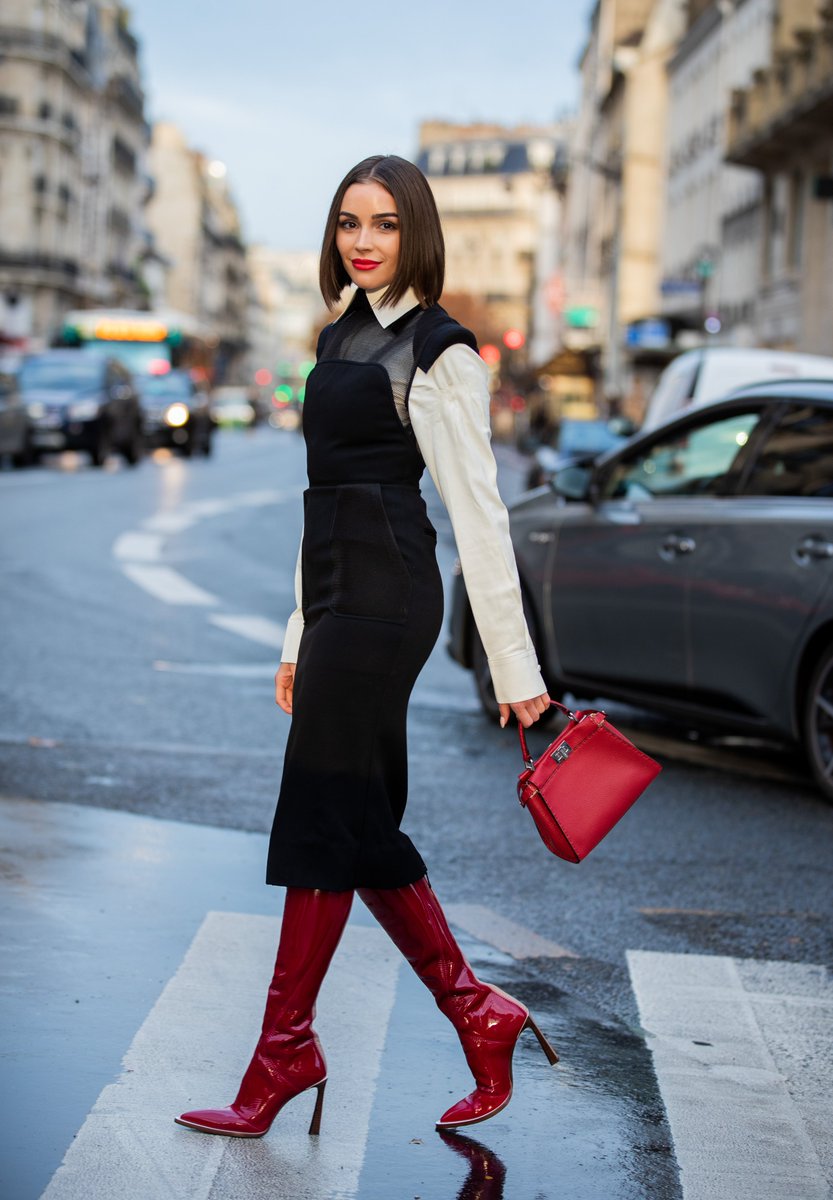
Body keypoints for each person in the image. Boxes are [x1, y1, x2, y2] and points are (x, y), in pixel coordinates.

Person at [175, 154, 557, 1140]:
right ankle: (477, 1012)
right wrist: (297, 635)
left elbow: (479, 518)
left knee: (316, 812)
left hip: (390, 599)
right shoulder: (339, 334)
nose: (363, 241)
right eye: (349, 222)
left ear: (414, 232)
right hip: (339, 595)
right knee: (355, 823)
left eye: (384, 224)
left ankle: (282, 1053)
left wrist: (514, 672)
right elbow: (319, 508)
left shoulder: (441, 351)